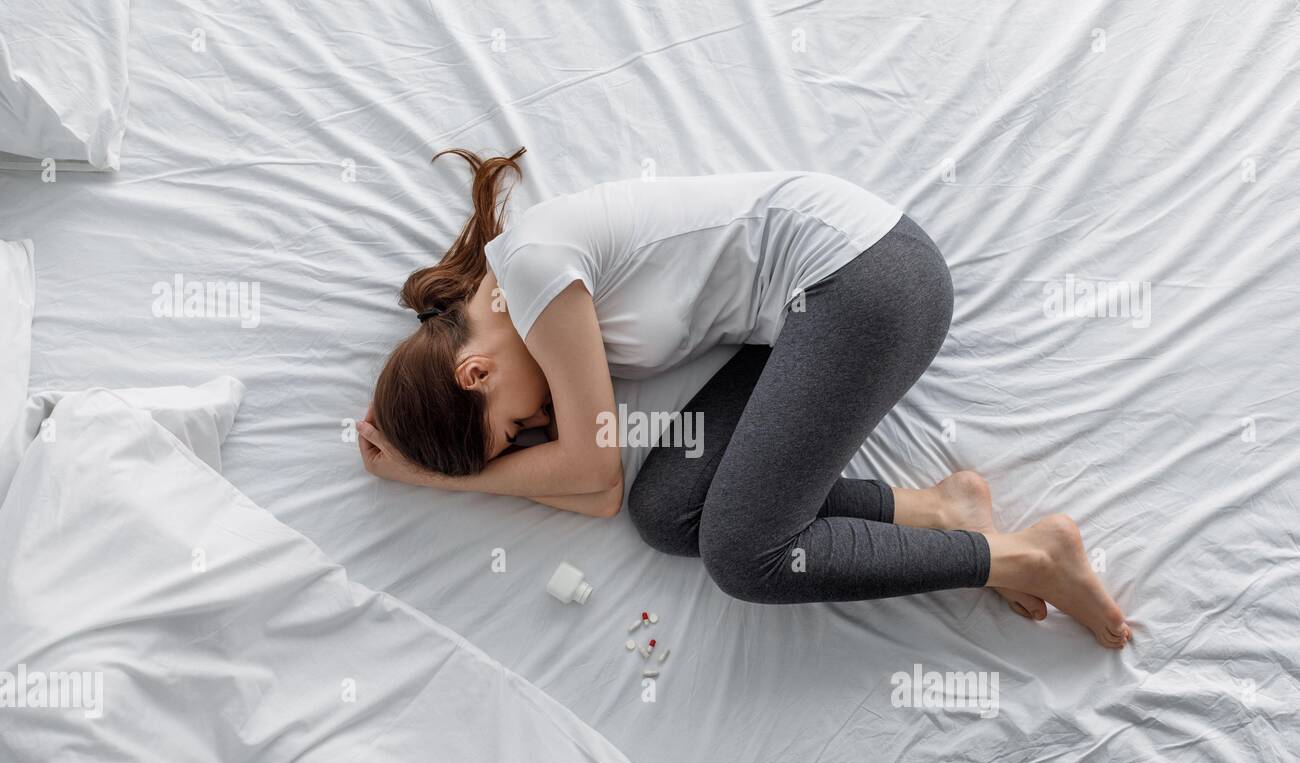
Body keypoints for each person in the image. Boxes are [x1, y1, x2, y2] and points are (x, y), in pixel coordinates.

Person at [360, 148, 1130, 649]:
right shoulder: (524, 298)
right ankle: (940, 509)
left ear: (475, 376)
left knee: (746, 556)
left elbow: (591, 476)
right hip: (796, 322)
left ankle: (1023, 557)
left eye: (515, 427)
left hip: (865, 280)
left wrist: (436, 477)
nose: (541, 425)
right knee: (665, 513)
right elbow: (607, 492)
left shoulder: (529, 274)